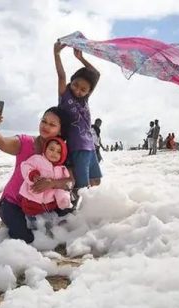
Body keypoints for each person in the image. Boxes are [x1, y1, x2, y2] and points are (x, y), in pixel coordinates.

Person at [0, 105, 73, 244]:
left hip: (39, 206)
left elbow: (70, 181)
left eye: (52, 124)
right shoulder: (26, 142)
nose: (45, 126)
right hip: (12, 203)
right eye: (44, 121)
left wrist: (52, 183)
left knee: (61, 225)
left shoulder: (60, 152)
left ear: (60, 130)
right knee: (27, 239)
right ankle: (8, 222)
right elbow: (3, 142)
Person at [54, 40, 102, 193]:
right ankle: (74, 211)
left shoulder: (85, 99)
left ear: (88, 91)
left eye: (83, 89)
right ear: (71, 82)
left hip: (90, 147)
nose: (78, 90)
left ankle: (83, 207)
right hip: (77, 147)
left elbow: (96, 74)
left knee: (95, 181)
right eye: (75, 85)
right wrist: (56, 54)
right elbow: (61, 76)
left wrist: (80, 58)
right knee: (81, 186)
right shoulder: (65, 96)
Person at [19, 137, 71, 217]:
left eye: (58, 152)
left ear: (63, 155)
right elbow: (25, 166)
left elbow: (62, 187)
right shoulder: (37, 159)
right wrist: (33, 175)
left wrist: (63, 198)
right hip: (32, 201)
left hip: (49, 204)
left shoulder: (62, 169)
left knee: (48, 222)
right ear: (45, 148)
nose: (54, 153)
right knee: (32, 222)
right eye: (51, 149)